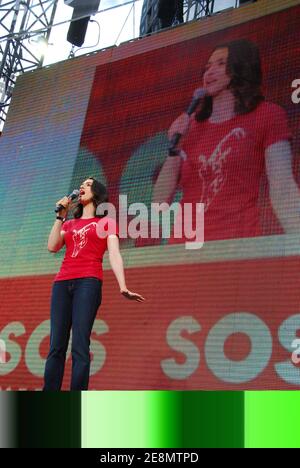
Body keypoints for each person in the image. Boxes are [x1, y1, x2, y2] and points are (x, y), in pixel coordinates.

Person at [153, 39, 300, 242]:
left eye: (221, 64)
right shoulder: (191, 125)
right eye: (207, 67)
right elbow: (159, 203)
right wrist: (174, 151)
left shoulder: (267, 115)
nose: (210, 72)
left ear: (240, 68)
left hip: (235, 246)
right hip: (183, 249)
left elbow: (283, 188)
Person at [43, 177, 145, 391]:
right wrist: (60, 216)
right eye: (81, 184)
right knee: (56, 346)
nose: (82, 187)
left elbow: (115, 254)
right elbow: (52, 246)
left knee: (80, 346)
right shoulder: (69, 224)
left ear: (97, 193)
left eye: (88, 185)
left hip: (88, 283)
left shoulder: (106, 223)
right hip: (62, 283)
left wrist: (122, 285)